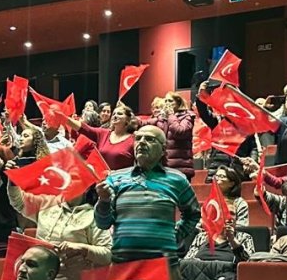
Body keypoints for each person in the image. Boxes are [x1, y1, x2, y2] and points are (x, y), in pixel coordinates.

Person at [94, 124, 201, 270]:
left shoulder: (177, 179)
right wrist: (104, 201)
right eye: (138, 138)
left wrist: (174, 235)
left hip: (163, 266)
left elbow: (193, 214)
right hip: (123, 267)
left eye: (150, 139)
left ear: (163, 150)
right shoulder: (115, 178)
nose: (142, 142)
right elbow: (103, 224)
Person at [6, 172, 111, 280]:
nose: (66, 181)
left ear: (86, 186)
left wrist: (82, 248)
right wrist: (12, 179)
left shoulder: (94, 216)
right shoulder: (47, 203)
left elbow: (108, 255)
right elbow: (18, 201)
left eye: (73, 179)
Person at [67, 103, 137, 171]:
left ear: (128, 119)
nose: (115, 116)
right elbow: (84, 128)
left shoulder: (134, 139)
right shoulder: (103, 133)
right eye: (113, 114)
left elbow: (139, 166)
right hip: (101, 177)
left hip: (121, 178)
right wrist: (65, 119)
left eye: (120, 114)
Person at [150, 91, 196, 178]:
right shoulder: (162, 117)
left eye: (170, 101)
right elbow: (145, 123)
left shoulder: (187, 116)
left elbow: (180, 132)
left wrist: (171, 115)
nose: (167, 103)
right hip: (164, 167)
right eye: (166, 101)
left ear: (178, 103)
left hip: (181, 167)